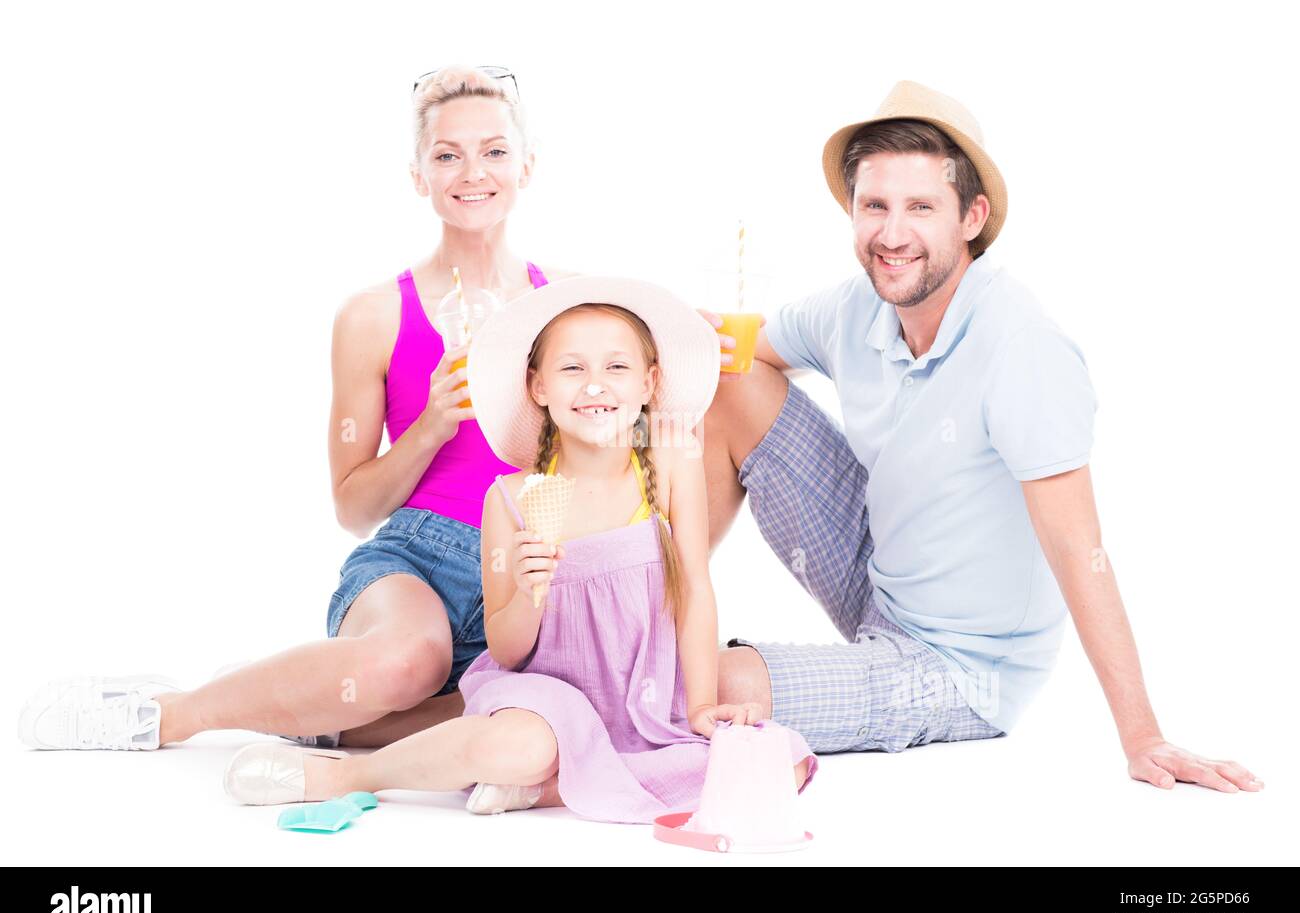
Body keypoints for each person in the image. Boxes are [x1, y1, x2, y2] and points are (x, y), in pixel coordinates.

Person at [702, 80, 1263, 793]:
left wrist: (1142, 734)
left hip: (959, 667)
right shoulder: (855, 307)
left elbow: (1077, 548)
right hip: (877, 576)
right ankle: (660, 602)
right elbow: (729, 354)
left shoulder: (1020, 347)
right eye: (874, 206)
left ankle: (664, 673)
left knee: (721, 683)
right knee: (729, 373)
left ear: (972, 216)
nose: (892, 234)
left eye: (920, 208)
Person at [19, 66, 574, 752]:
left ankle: (296, 700)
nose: (473, 172)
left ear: (528, 165)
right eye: (446, 155)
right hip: (419, 565)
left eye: (494, 150)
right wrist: (431, 425)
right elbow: (353, 507)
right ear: (418, 175)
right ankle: (168, 713)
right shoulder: (373, 316)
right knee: (408, 662)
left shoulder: (571, 307)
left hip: (530, 565)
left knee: (547, 711)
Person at [222, 276, 818, 822]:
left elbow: (693, 589)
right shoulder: (511, 498)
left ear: (649, 382)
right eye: (571, 369)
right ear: (537, 387)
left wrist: (699, 709)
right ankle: (347, 774)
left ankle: (544, 786)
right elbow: (507, 649)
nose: (594, 385)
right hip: (546, 699)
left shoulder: (670, 464)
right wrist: (531, 591)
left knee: (779, 762)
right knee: (520, 745)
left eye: (616, 366)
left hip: (646, 694)